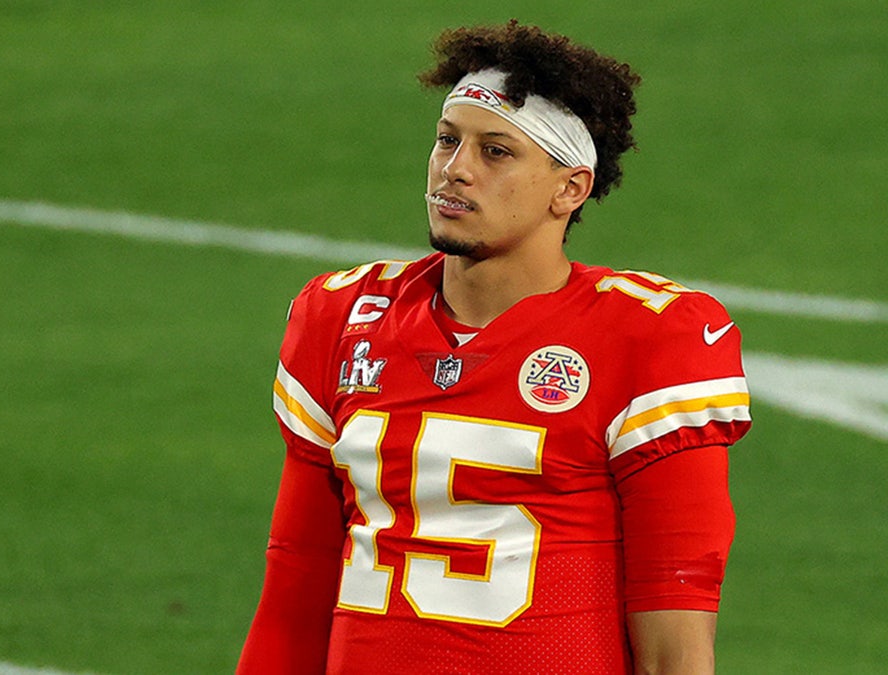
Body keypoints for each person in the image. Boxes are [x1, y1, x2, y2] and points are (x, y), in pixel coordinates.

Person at [237, 21, 751, 675]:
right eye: (448, 140)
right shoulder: (342, 317)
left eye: (496, 152)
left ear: (570, 188)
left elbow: (675, 632)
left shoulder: (648, 338)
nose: (455, 169)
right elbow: (296, 586)